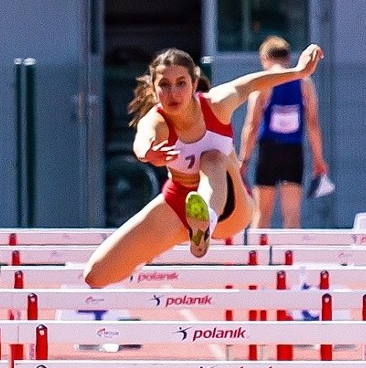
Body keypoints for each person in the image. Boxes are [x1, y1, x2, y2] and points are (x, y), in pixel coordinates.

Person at [83, 43, 324, 287]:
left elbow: (251, 83)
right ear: (154, 91)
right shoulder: (157, 119)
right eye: (164, 85)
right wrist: (147, 154)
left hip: (231, 207)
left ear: (194, 83)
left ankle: (204, 221)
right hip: (178, 203)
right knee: (95, 274)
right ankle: (195, 227)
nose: (173, 93)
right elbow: (143, 138)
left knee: (212, 157)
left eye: (180, 83)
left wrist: (298, 72)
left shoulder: (217, 103)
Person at [238, 36, 328, 230]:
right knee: (293, 217)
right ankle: (291, 258)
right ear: (287, 59)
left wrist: (243, 160)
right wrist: (319, 159)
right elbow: (313, 124)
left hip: (268, 151)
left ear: (265, 58)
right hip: (293, 151)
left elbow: (252, 125)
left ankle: (257, 258)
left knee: (261, 214)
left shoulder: (263, 83)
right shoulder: (305, 82)